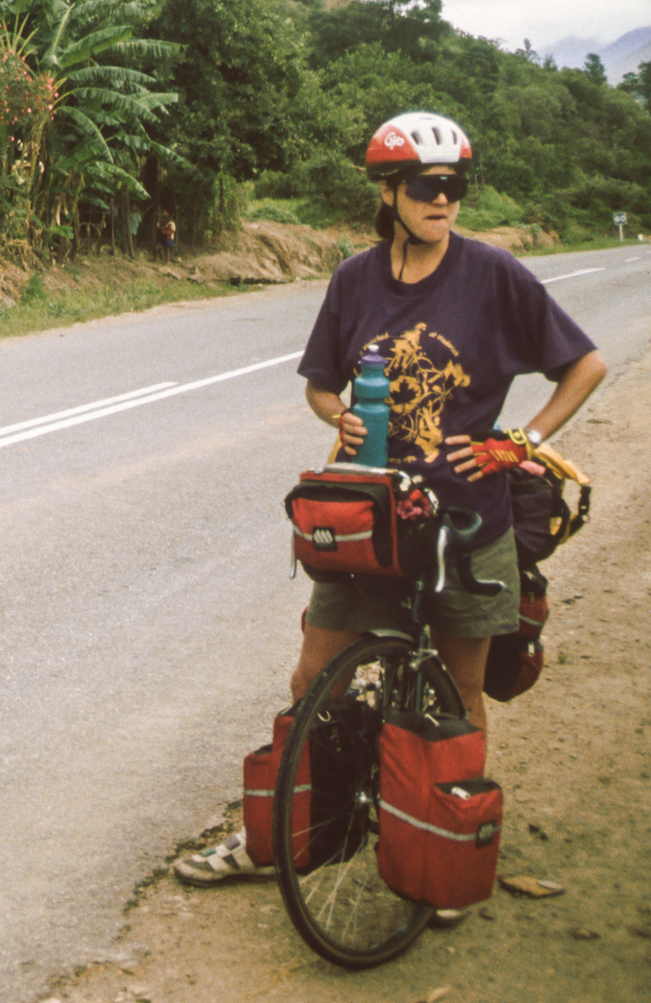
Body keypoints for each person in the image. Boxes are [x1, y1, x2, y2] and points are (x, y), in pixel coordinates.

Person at [172, 111, 606, 912]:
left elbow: (584, 364)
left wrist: (521, 440)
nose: (443, 198)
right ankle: (286, 836)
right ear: (387, 192)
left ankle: (441, 856)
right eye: (426, 186)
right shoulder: (353, 279)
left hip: (467, 518)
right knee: (313, 675)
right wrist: (335, 415)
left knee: (458, 693)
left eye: (454, 184)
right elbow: (319, 384)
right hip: (370, 512)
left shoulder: (492, 273)